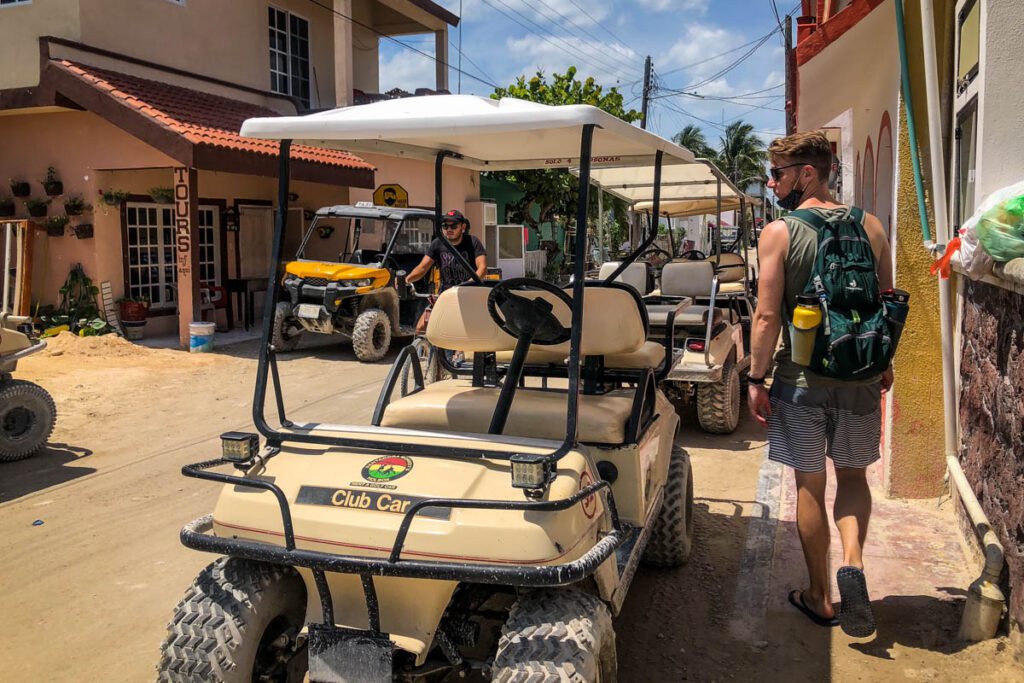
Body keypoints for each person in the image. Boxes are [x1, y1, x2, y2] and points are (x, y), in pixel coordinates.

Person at [748, 131, 893, 638]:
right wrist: (883, 365)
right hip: (860, 377)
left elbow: (767, 317)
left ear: (807, 173)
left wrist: (755, 378)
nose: (774, 184)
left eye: (780, 174)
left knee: (810, 482)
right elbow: (885, 302)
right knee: (853, 479)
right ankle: (852, 560)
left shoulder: (779, 233)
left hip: (802, 379)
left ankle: (819, 595)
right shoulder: (872, 227)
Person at [405, 209, 488, 333]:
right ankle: (431, 351)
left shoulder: (473, 242)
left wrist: (468, 285)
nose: (449, 229)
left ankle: (461, 352)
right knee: (421, 328)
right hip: (445, 295)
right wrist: (406, 279)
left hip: (468, 294)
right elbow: (422, 267)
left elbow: (482, 268)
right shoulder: (438, 243)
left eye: (454, 225)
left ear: (463, 227)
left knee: (463, 331)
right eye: (445, 226)